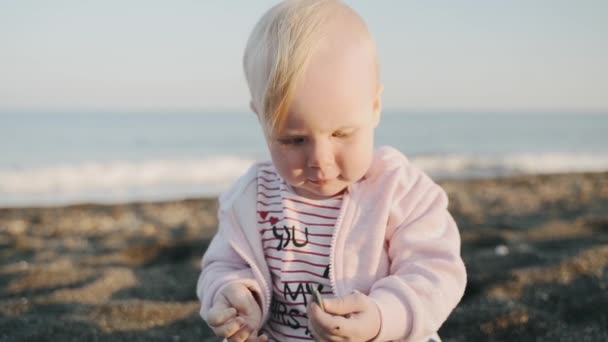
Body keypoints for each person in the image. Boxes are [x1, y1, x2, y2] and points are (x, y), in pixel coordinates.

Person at [196, 0, 467, 341]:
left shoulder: (401, 192)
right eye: (293, 140)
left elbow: (435, 272)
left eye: (342, 134)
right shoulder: (251, 197)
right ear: (260, 119)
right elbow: (222, 266)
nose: (319, 161)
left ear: (375, 108)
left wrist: (382, 317)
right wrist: (232, 296)